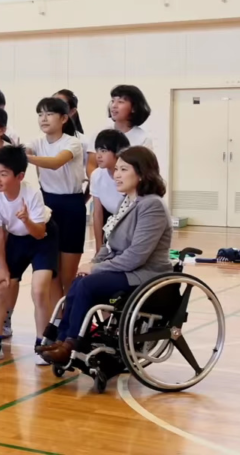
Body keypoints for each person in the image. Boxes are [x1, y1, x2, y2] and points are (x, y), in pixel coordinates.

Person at [40, 146, 171, 364]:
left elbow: (136, 256)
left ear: (141, 173)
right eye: (116, 169)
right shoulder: (126, 202)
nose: (116, 175)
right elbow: (110, 245)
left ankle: (71, 343)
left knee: (87, 284)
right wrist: (94, 262)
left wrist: (96, 268)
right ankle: (62, 340)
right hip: (127, 270)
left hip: (145, 274)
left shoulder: (152, 205)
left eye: (123, 170)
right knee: (79, 281)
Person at [0, 145, 58, 365]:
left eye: (3, 174)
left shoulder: (32, 193)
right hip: (16, 239)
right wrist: (2, 268)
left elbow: (40, 232)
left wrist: (26, 219)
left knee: (39, 290)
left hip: (42, 238)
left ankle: (42, 346)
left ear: (20, 176)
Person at [26, 97, 85, 299]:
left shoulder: (72, 142)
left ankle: (71, 313)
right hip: (47, 204)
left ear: (64, 118)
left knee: (68, 275)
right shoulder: (36, 142)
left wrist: (26, 157)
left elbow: (55, 162)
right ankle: (56, 316)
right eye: (40, 114)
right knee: (51, 273)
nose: (43, 118)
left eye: (49, 114)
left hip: (71, 206)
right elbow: (22, 151)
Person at [91, 129, 131, 253]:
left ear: (118, 152)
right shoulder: (96, 175)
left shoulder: (131, 175)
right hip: (112, 221)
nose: (98, 155)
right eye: (97, 150)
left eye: (103, 151)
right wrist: (99, 248)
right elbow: (97, 213)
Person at [54, 90, 95, 178]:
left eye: (60, 105)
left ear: (72, 111)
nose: (54, 109)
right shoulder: (41, 140)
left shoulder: (83, 141)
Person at [108, 85, 153, 149]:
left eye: (120, 102)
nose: (114, 106)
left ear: (134, 108)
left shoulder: (143, 139)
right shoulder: (101, 133)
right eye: (113, 101)